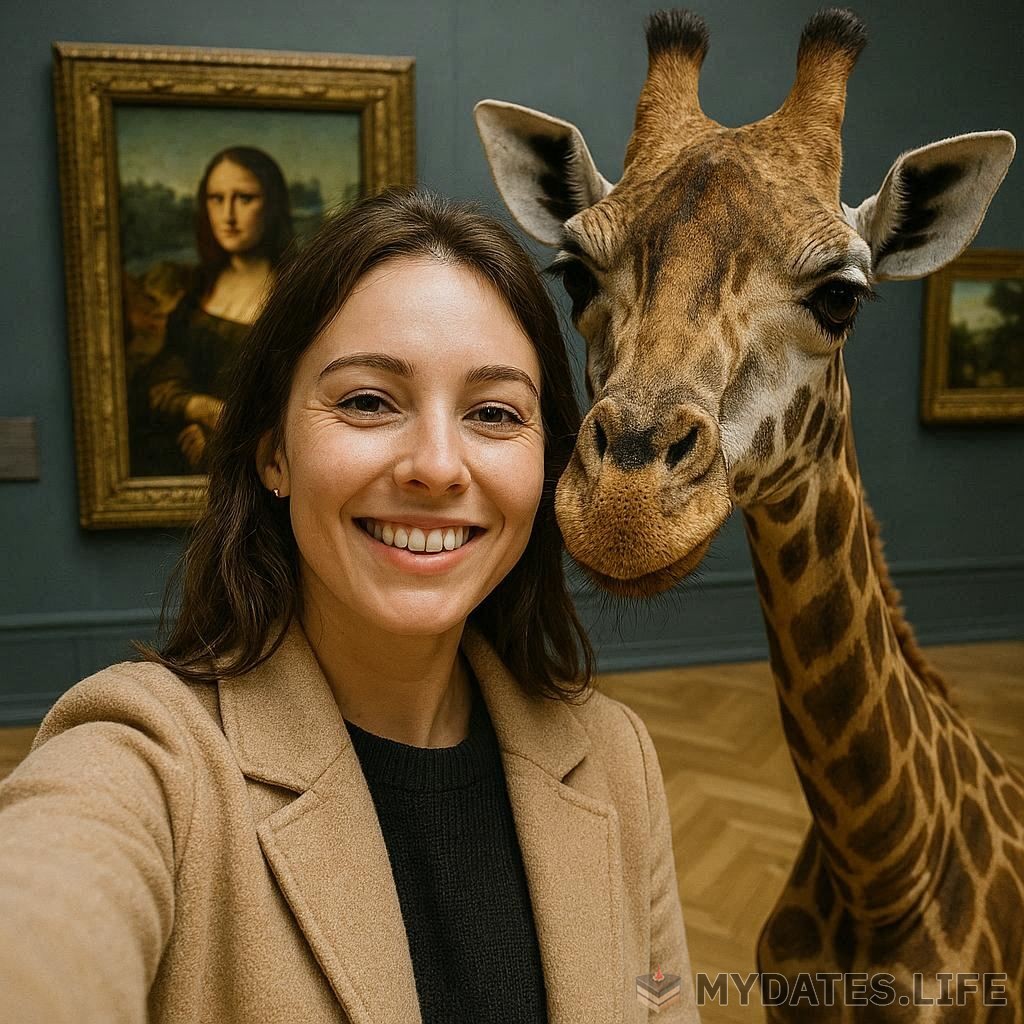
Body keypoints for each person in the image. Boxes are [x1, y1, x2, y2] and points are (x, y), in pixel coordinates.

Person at [0, 188, 701, 1023]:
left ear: (546, 465)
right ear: (275, 455)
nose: (436, 466)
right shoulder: (151, 758)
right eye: (368, 401)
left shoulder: (616, 758)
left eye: (492, 413)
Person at [142, 145, 294, 472]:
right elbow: (162, 377)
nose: (228, 215)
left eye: (244, 198)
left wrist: (220, 443)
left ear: (272, 204)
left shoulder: (296, 292)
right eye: (216, 199)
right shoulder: (196, 290)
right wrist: (197, 406)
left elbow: (302, 405)